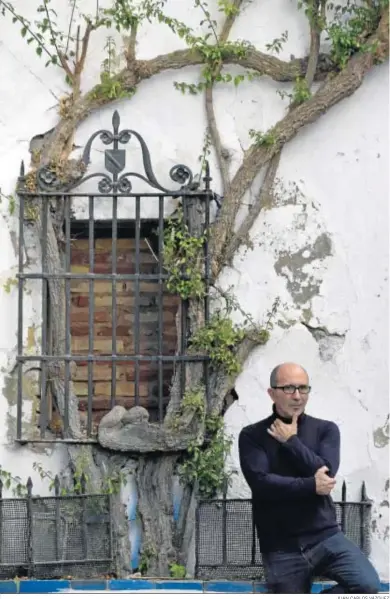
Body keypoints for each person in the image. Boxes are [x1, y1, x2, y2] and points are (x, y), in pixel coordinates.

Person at [238, 362, 381, 594]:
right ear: (271, 393)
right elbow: (262, 484)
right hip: (281, 548)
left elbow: (326, 473)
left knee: (367, 585)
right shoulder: (252, 436)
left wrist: (291, 442)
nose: (297, 396)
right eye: (289, 388)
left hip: (325, 537)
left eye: (303, 388)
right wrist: (311, 485)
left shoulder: (326, 430)